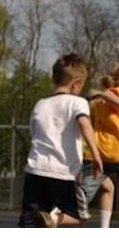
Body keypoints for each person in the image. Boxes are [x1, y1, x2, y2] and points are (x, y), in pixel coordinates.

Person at [18, 53, 103, 228]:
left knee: (30, 220)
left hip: (35, 171)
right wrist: (96, 155)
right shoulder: (78, 103)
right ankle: (54, 219)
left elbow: (35, 133)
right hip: (62, 173)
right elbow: (84, 124)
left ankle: (46, 221)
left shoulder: (40, 104)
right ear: (77, 83)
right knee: (81, 215)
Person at [79, 64, 119, 228]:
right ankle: (52, 217)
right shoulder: (111, 94)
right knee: (83, 197)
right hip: (105, 153)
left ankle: (104, 228)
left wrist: (98, 94)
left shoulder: (104, 97)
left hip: (105, 154)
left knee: (107, 189)